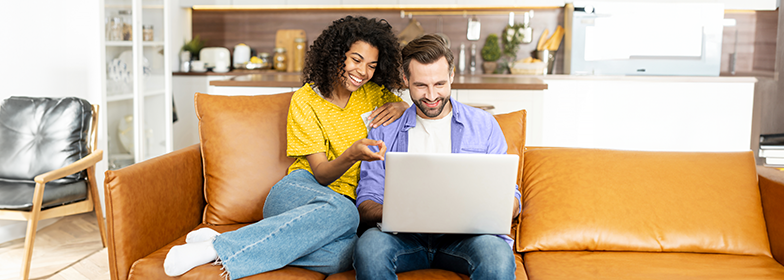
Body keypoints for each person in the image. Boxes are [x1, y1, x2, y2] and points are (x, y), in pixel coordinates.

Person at [162, 15, 408, 280]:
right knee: (347, 213)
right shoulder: (306, 100)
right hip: (300, 192)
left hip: (337, 214)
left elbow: (411, 110)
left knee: (344, 255)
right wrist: (352, 154)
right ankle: (215, 249)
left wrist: (401, 106)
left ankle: (230, 239)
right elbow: (322, 174)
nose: (363, 72)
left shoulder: (373, 94)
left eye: (371, 65)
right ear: (337, 55)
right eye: (356, 60)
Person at [353, 34, 522, 280]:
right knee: (369, 247)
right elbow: (366, 201)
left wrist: (503, 208)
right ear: (405, 79)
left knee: (496, 256)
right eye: (421, 85)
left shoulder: (483, 125)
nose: (432, 96)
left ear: (452, 76)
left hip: (466, 240)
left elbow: (512, 196)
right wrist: (402, 211)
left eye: (440, 84)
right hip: (403, 239)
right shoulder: (384, 129)